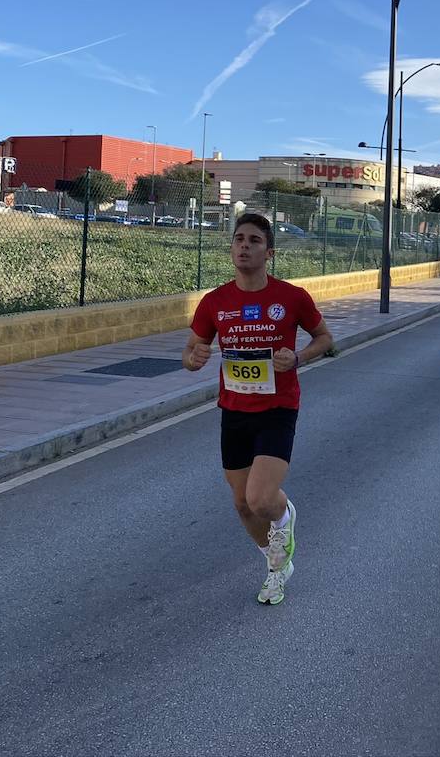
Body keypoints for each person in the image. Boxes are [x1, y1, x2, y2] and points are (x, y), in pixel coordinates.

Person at [183, 212, 335, 605]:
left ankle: (285, 517)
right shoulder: (215, 302)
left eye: (253, 240)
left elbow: (325, 338)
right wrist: (194, 357)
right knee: (240, 503)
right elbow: (190, 351)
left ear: (269, 251)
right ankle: (275, 566)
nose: (244, 246)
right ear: (231, 248)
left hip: (278, 408)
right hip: (234, 410)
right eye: (238, 239)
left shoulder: (292, 297)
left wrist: (299, 358)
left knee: (261, 499)